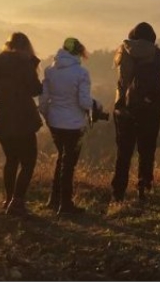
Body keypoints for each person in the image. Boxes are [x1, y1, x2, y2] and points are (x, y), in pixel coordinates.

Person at [0, 32, 43, 216]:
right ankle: (17, 202)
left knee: (11, 160)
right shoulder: (24, 64)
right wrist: (33, 65)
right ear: (26, 47)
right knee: (28, 161)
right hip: (22, 118)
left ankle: (9, 199)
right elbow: (35, 89)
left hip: (1, 118)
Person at [111, 22, 160, 203]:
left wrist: (121, 103)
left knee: (124, 153)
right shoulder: (158, 54)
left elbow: (123, 81)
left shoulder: (124, 51)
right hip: (151, 109)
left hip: (127, 110)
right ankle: (144, 190)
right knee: (147, 152)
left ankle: (118, 194)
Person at [39, 37, 94, 215]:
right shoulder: (81, 73)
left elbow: (43, 101)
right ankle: (65, 204)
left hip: (55, 122)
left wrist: (48, 116)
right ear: (78, 52)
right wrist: (95, 106)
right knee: (68, 163)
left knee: (61, 159)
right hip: (73, 124)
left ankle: (53, 199)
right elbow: (84, 102)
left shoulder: (50, 71)